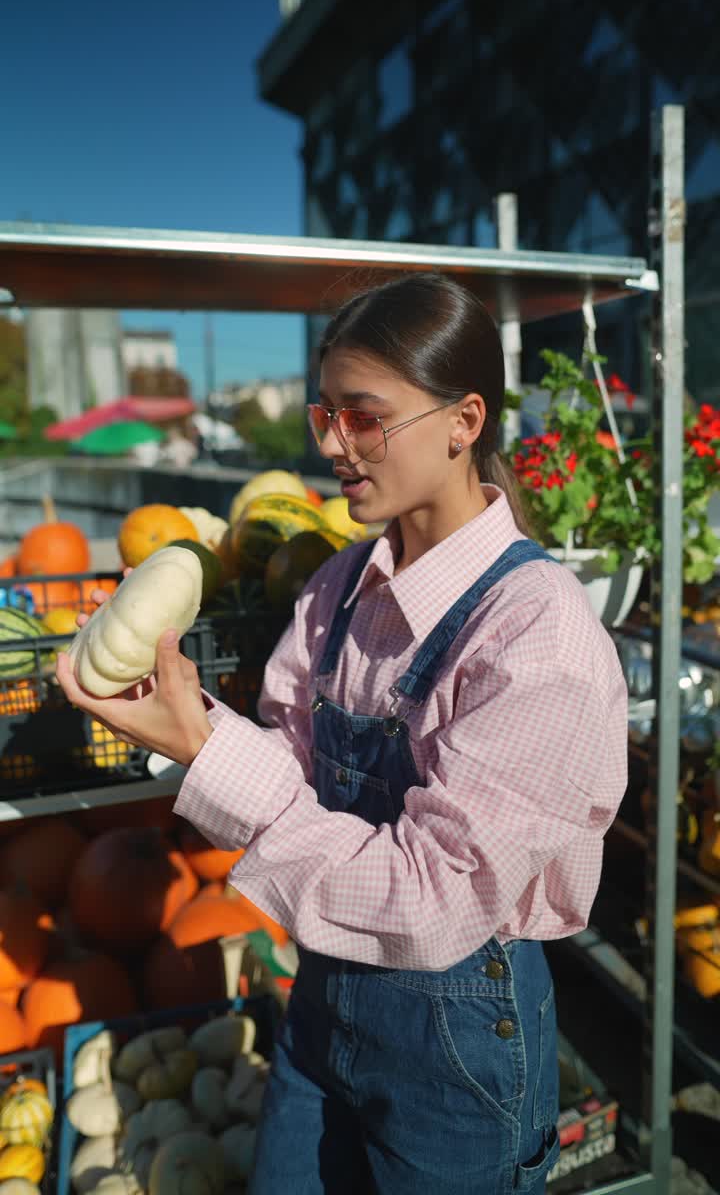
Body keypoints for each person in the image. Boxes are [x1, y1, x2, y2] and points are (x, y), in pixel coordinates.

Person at [57, 273, 628, 1195]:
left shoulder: (538, 633)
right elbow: (290, 763)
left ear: (463, 420)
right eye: (327, 416)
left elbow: (435, 899)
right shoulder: (338, 587)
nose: (333, 445)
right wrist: (182, 719)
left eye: (365, 418)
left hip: (459, 1038)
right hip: (322, 998)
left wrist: (205, 747)